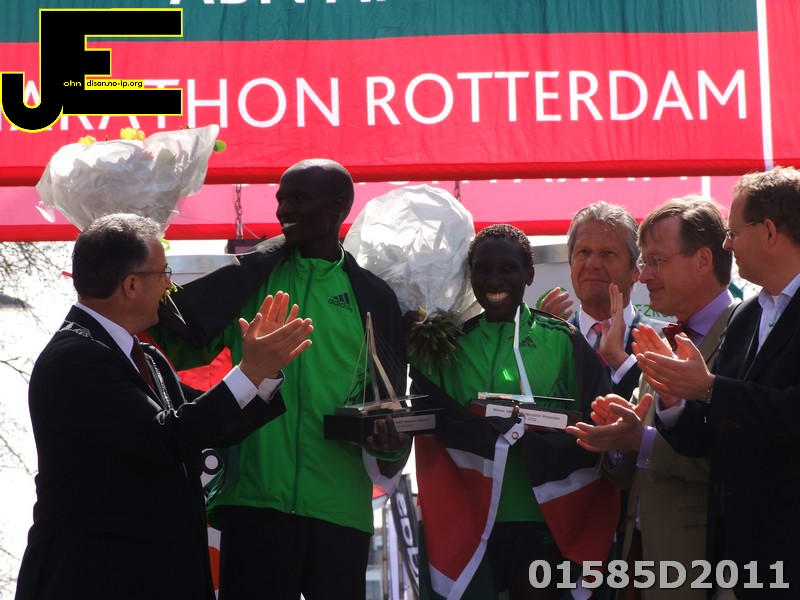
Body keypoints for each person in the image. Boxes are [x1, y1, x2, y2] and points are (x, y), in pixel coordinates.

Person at [14, 214, 313, 600]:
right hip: (96, 577)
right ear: (132, 284)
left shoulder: (143, 356)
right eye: (163, 273)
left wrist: (263, 373)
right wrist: (249, 371)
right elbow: (167, 436)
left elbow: (208, 421)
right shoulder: (76, 358)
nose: (169, 285)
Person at [151, 158, 408, 600]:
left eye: (298, 198)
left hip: (340, 510)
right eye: (281, 199)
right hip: (254, 504)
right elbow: (174, 345)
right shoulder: (249, 279)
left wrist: (389, 441)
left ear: (338, 205)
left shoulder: (374, 296)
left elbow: (389, 405)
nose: (283, 209)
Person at [410, 224, 616, 600]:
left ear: (529, 274)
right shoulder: (447, 347)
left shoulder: (562, 341)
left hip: (545, 520)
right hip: (469, 523)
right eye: (483, 269)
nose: (494, 280)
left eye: (508, 269)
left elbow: (598, 423)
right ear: (470, 274)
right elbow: (426, 421)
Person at [634, 167, 800, 598]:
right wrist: (674, 399)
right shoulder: (746, 316)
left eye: (733, 232)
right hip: (736, 563)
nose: (726, 244)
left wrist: (708, 388)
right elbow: (713, 439)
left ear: (769, 232)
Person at [566, 196, 737, 599]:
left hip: (701, 568)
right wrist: (618, 440)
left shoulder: (743, 335)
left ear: (703, 260)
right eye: (645, 263)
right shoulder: (666, 339)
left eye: (656, 262)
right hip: (639, 562)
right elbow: (636, 466)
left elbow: (734, 461)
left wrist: (638, 440)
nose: (643, 277)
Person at [539, 201, 648, 399]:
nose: (592, 264)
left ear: (635, 270)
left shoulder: (664, 342)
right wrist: (541, 350)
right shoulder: (550, 340)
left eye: (607, 254)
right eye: (583, 252)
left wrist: (621, 362)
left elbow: (663, 410)